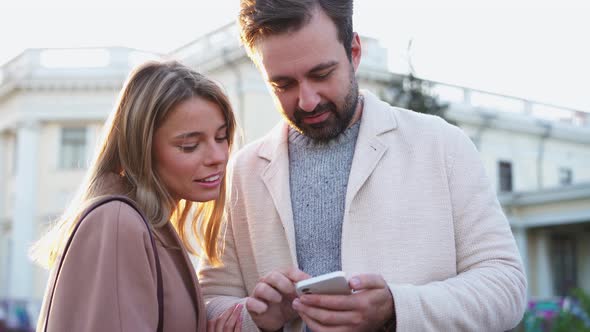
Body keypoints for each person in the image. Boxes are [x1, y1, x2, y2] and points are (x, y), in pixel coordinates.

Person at [198, 0, 528, 331]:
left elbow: (506, 286)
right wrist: (254, 316)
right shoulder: (242, 170)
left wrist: (396, 308)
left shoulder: (443, 145)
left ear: (354, 51)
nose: (307, 100)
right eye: (283, 85)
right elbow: (209, 302)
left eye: (321, 73)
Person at [32, 61, 243, 331]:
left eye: (222, 137)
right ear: (142, 148)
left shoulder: (145, 223)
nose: (218, 157)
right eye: (189, 146)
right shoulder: (119, 222)